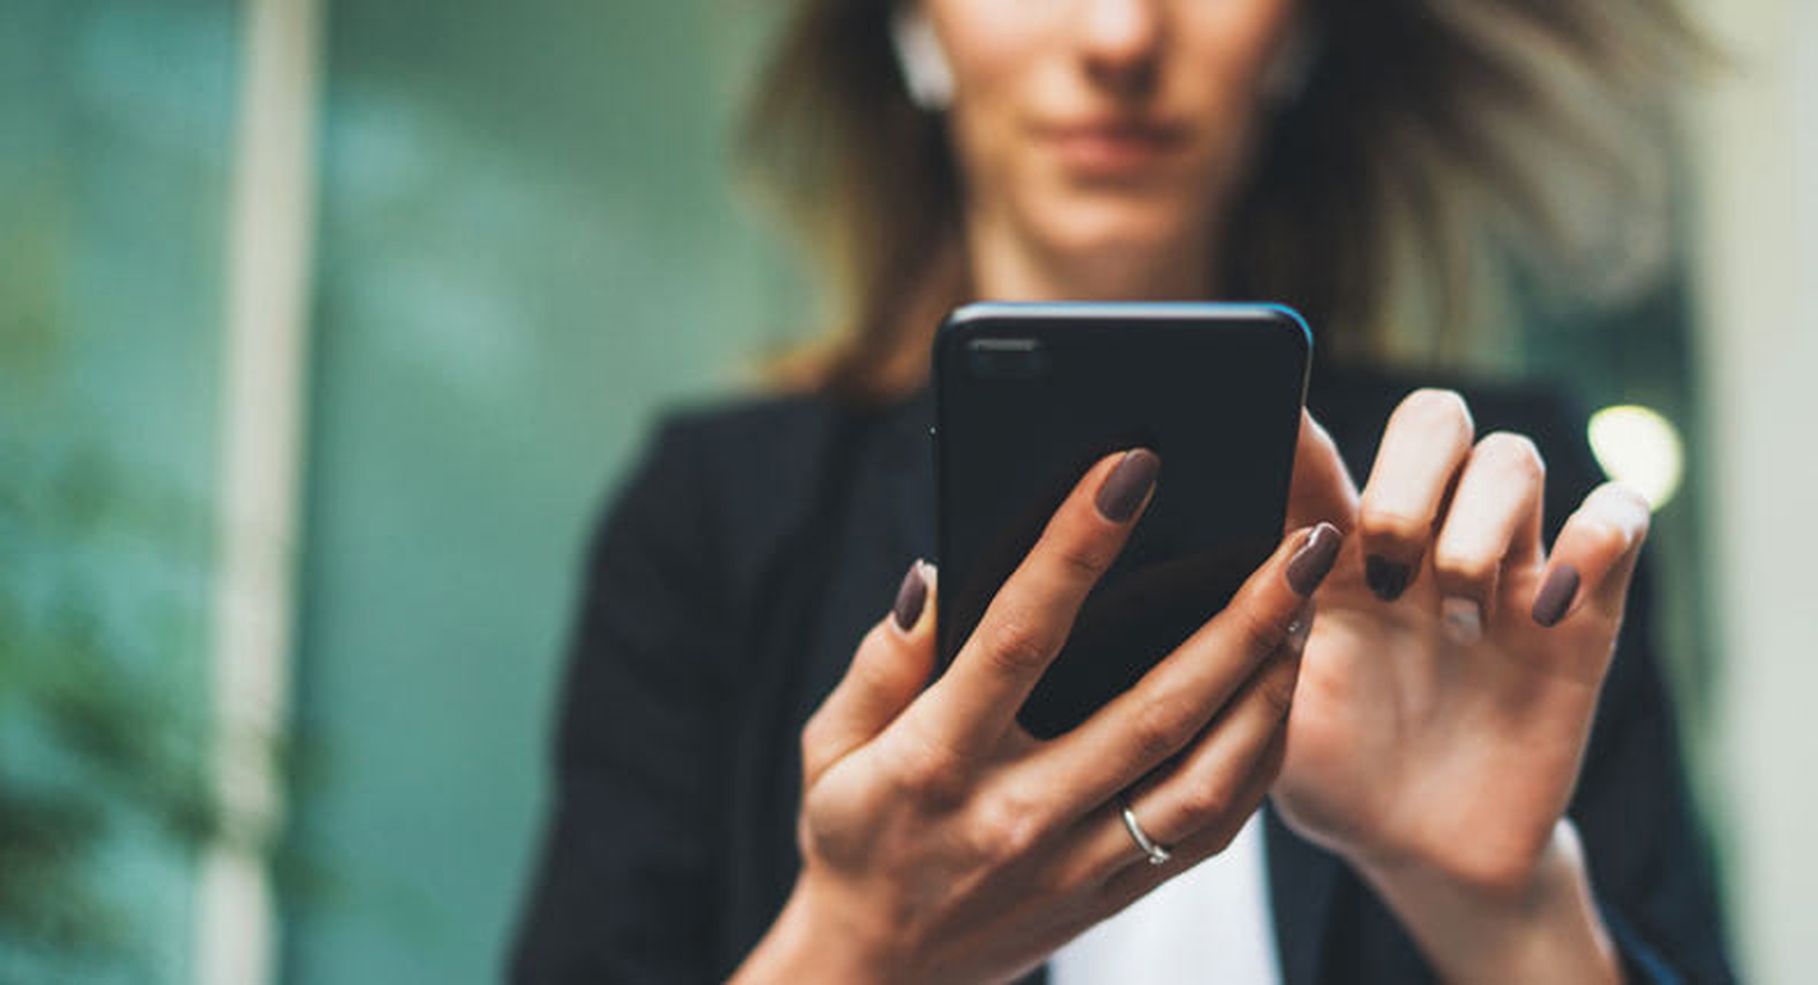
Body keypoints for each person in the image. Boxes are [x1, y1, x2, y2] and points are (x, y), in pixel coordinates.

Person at [512, 0, 1734, 981]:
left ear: (1298, 32)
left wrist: (1501, 911)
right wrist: (854, 950)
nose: (1119, 37)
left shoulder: (1497, 515)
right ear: (907, 27)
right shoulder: (717, 512)